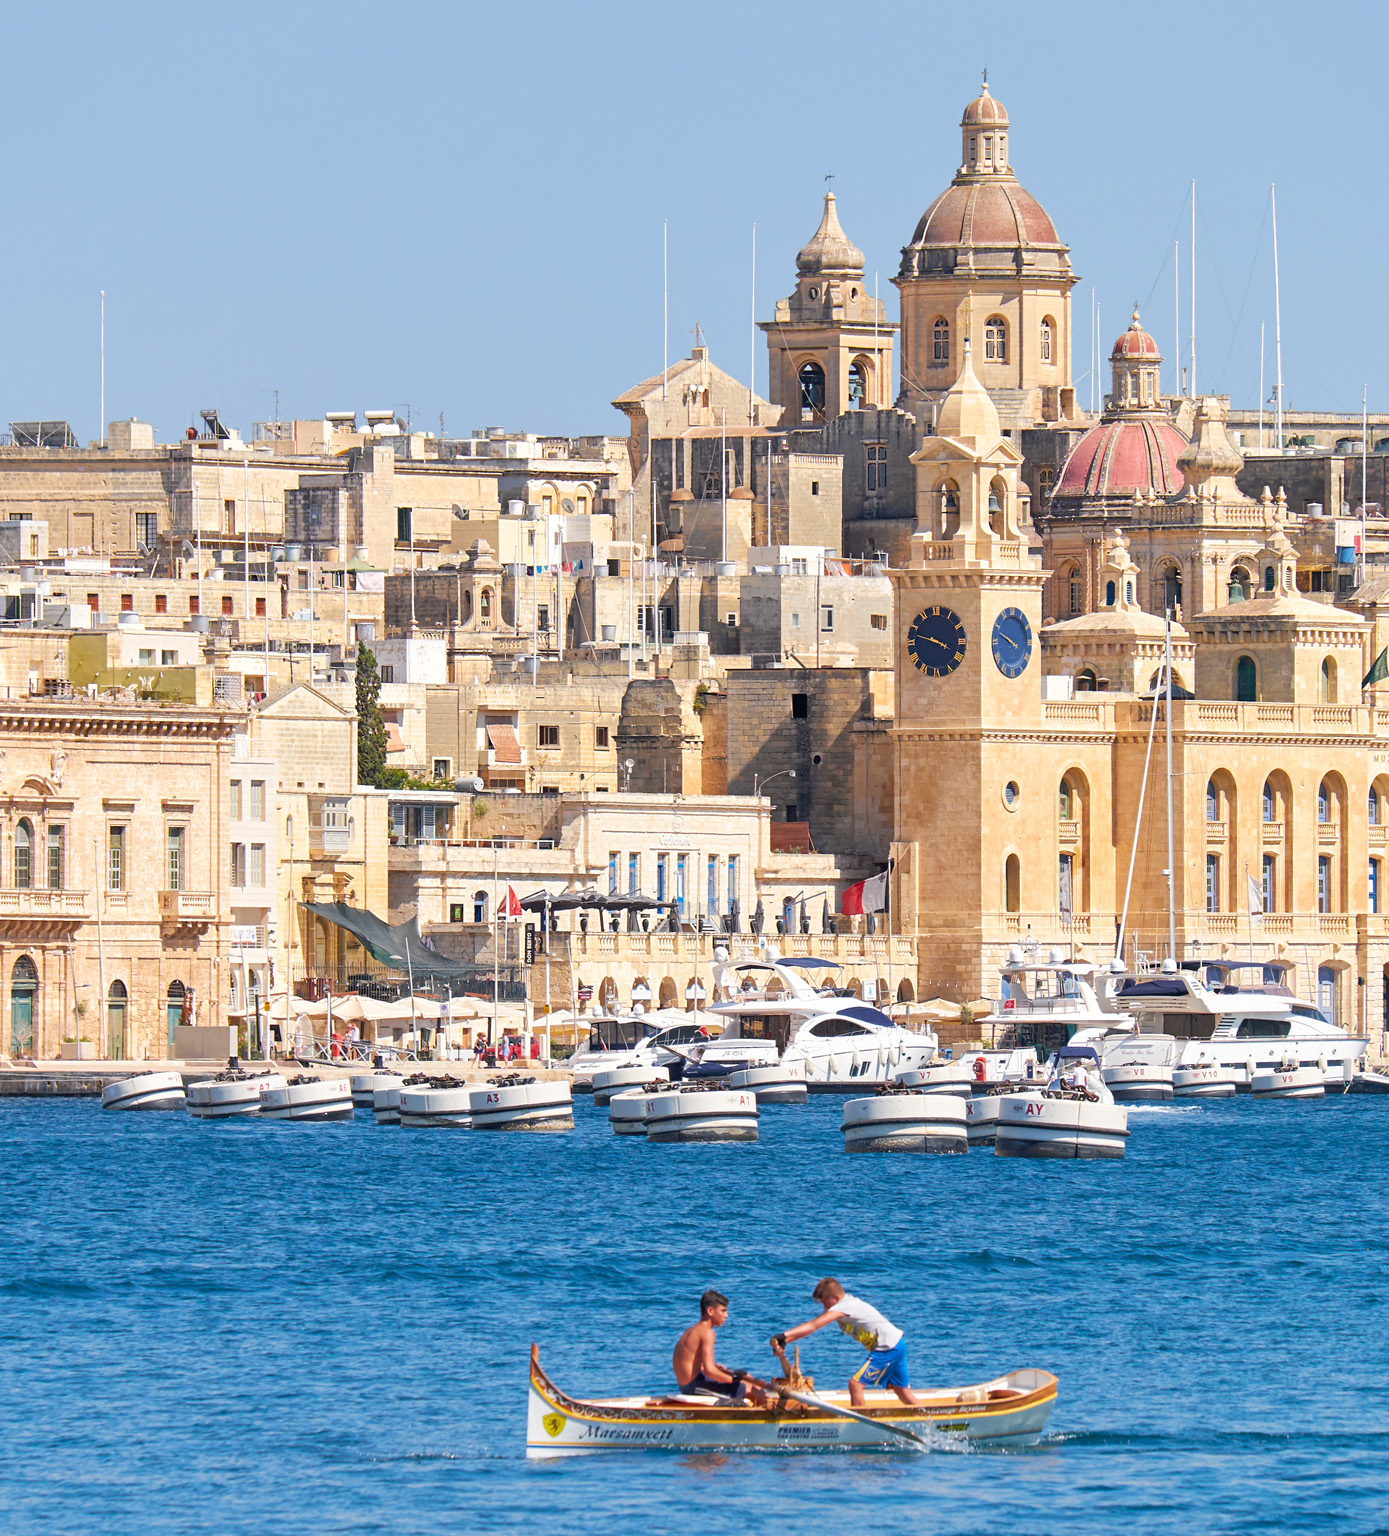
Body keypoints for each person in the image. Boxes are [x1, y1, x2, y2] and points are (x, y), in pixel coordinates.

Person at [771, 1278, 918, 1406]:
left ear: (835, 1297)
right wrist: (786, 1341)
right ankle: (928, 1419)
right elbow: (812, 1326)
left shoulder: (845, 1306)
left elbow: (814, 1325)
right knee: (902, 1391)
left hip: (888, 1347)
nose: (824, 1308)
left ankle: (860, 1428)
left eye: (825, 1303)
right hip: (897, 1343)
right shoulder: (841, 1306)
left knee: (855, 1385)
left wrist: (783, 1335)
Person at [672, 1290, 770, 1406]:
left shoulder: (691, 1331)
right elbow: (709, 1371)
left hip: (690, 1383)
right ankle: (767, 1418)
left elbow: (695, 1365)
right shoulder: (707, 1333)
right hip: (693, 1387)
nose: (726, 1315)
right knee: (749, 1388)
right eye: (723, 1311)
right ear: (710, 1311)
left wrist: (724, 1373)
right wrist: (734, 1379)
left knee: (747, 1381)